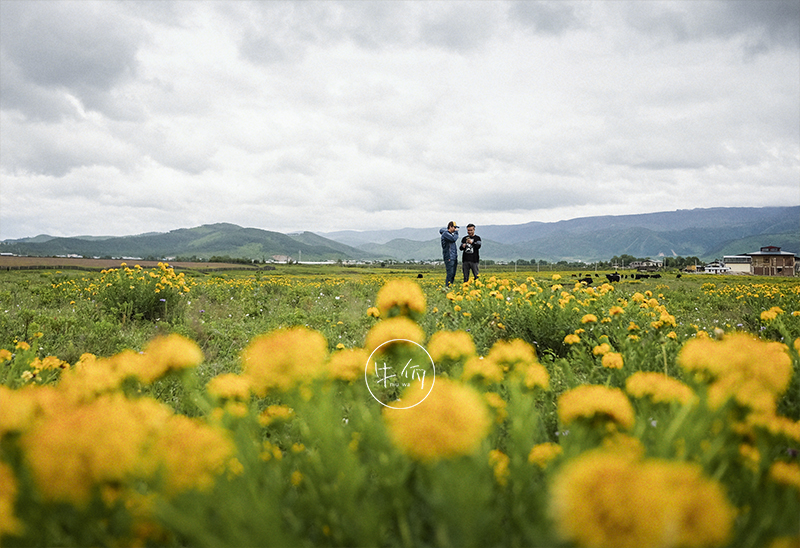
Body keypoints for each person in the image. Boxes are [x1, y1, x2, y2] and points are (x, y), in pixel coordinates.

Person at [439, 221, 459, 288]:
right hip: (449, 257)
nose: (455, 229)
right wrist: (456, 233)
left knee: (453, 273)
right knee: (450, 273)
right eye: (454, 227)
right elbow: (453, 239)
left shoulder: (449, 234)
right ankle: (447, 287)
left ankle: (450, 286)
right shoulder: (445, 234)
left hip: (454, 256)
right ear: (450, 227)